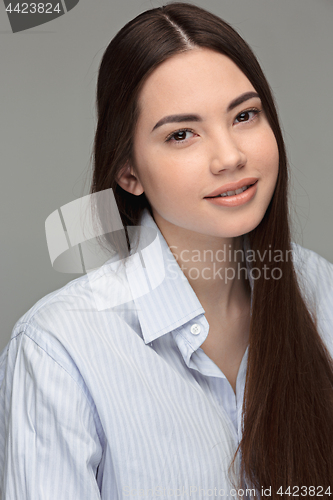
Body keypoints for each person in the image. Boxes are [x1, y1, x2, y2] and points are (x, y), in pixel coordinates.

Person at [1, 2, 333, 498]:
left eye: (245, 115)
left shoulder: (322, 292)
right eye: (182, 134)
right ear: (127, 172)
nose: (230, 156)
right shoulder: (58, 352)